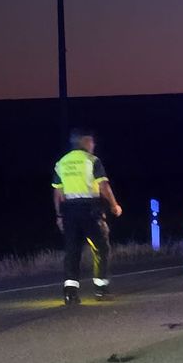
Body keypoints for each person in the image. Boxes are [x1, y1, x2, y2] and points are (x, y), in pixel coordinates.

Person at [52, 129, 123, 304]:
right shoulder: (92, 161)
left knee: (72, 251)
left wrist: (59, 216)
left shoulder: (62, 163)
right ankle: (101, 290)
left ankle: (70, 294)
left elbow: (57, 193)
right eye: (91, 141)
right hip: (90, 210)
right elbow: (104, 186)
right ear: (83, 142)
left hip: (69, 212)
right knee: (101, 248)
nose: (93, 145)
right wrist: (114, 205)